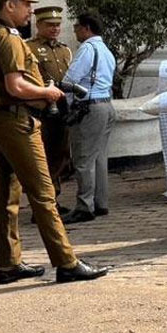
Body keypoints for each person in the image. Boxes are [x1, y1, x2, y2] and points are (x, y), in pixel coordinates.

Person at [0, 0, 107, 284]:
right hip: (17, 121)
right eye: (26, 4)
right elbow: (16, 85)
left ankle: (9, 264)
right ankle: (66, 262)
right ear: (10, 5)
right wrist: (47, 92)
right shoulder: (9, 39)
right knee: (44, 193)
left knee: (7, 195)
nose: (30, 10)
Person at [60, 13, 117, 225]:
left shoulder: (87, 48)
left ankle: (84, 206)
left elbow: (70, 80)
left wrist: (65, 103)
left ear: (86, 28)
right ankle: (100, 202)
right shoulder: (106, 50)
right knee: (100, 157)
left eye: (76, 26)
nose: (74, 30)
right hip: (106, 105)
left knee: (83, 159)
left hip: (88, 107)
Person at [27, 6, 74, 204]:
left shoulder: (64, 49)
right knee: (43, 155)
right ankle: (45, 200)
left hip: (62, 108)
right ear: (38, 25)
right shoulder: (29, 48)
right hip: (41, 109)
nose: (55, 29)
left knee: (60, 152)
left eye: (57, 25)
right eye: (50, 25)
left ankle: (54, 196)